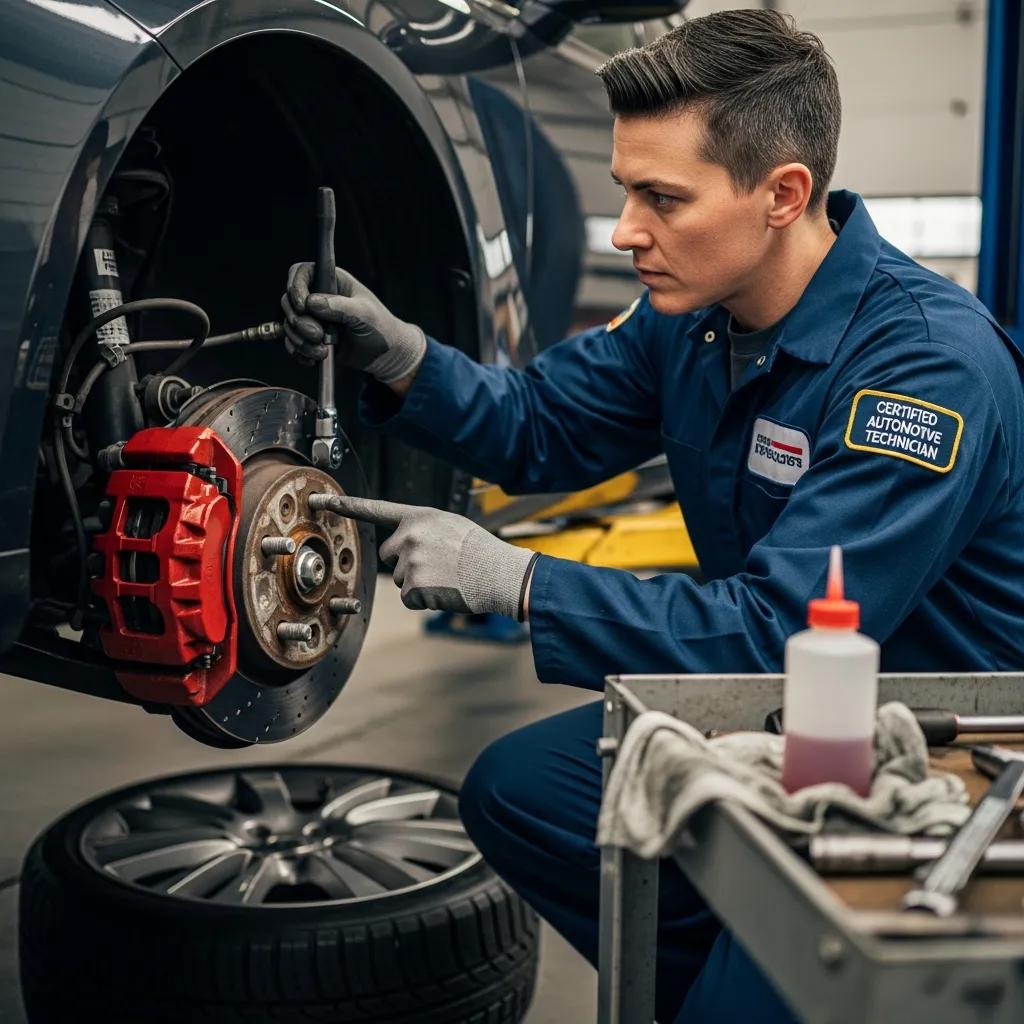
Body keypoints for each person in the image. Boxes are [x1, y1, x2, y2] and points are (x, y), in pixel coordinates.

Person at [280, 10, 1024, 1020]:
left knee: (764, 972)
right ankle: (734, 969)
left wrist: (519, 581)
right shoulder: (694, 317)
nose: (627, 229)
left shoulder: (923, 369)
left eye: (661, 198)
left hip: (927, 746)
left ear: (782, 195)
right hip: (777, 705)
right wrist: (403, 356)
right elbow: (540, 424)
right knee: (520, 790)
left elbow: (778, 631)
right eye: (628, 189)